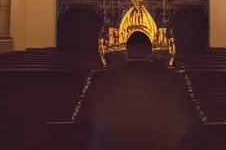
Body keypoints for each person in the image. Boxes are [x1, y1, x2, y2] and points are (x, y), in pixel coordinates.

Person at [75, 31, 205, 150]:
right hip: (163, 144)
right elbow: (192, 120)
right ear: (150, 50)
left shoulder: (101, 77)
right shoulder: (175, 78)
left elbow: (83, 120)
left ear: (127, 50)